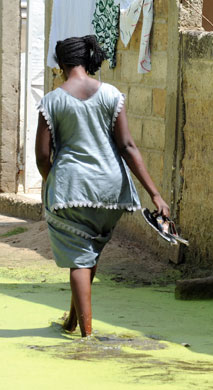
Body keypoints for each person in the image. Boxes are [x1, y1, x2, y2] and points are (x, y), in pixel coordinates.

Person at [35, 35, 170, 337]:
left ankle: (87, 334)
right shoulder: (111, 94)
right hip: (112, 191)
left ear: (61, 64)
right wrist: (156, 195)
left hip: (73, 189)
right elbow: (128, 146)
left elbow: (43, 155)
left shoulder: (52, 101)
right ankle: (71, 321)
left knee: (78, 259)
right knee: (88, 252)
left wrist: (50, 181)